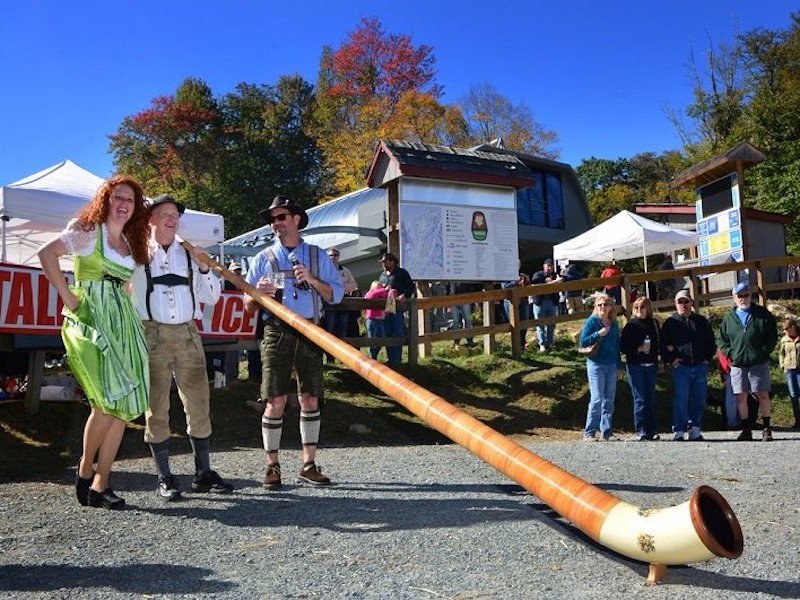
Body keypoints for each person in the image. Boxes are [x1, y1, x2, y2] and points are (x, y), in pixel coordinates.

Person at [37, 175, 151, 510]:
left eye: (130, 200)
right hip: (89, 321)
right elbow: (47, 254)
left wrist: (131, 321)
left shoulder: (131, 244)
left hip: (121, 324)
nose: (123, 204)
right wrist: (69, 297)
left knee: (121, 408)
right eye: (118, 197)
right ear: (106, 199)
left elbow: (127, 287)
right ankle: (85, 469)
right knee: (103, 402)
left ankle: (102, 484)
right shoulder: (87, 231)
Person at [130, 194, 233, 502]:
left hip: (188, 335)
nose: (171, 218)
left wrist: (204, 269)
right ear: (150, 219)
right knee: (156, 407)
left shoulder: (190, 254)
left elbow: (212, 297)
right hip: (152, 336)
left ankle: (203, 473)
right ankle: (165, 476)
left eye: (174, 213)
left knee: (199, 403)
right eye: (164, 213)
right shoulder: (135, 253)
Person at [244, 195, 344, 488]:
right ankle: (272, 467)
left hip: (311, 330)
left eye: (281, 217)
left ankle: (309, 464)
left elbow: (336, 294)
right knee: (274, 400)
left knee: (310, 397)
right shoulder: (263, 258)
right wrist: (257, 295)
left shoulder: (317, 255)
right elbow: (247, 305)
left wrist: (312, 279)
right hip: (277, 330)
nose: (276, 223)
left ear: (296, 219)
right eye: (272, 219)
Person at [718, 282, 778, 441]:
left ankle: (767, 428)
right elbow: (722, 341)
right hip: (738, 364)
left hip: (758, 362)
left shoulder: (762, 314)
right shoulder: (729, 319)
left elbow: (772, 336)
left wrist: (763, 352)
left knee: (763, 394)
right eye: (740, 295)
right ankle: (746, 430)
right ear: (734, 298)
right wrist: (731, 354)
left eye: (746, 294)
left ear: (750, 296)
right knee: (740, 397)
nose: (743, 298)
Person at [660, 289, 716, 441]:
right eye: (680, 302)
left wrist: (707, 358)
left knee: (699, 398)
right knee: (681, 399)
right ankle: (679, 429)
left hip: (699, 365)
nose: (683, 304)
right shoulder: (671, 322)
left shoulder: (701, 321)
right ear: (675, 304)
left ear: (692, 303)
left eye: (686, 301)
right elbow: (663, 344)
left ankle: (695, 428)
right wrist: (671, 359)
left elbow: (711, 342)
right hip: (681, 367)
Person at [579, 293, 621, 441]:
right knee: (596, 398)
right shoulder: (592, 321)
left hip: (611, 364)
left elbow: (617, 346)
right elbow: (583, 341)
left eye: (605, 304)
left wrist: (618, 366)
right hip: (596, 364)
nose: (603, 307)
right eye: (600, 305)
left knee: (609, 399)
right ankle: (589, 432)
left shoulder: (614, 323)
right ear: (596, 307)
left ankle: (607, 431)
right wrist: (598, 334)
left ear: (611, 306)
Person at [620, 296, 661, 441]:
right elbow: (624, 347)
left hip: (651, 364)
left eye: (642, 307)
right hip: (635, 365)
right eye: (636, 307)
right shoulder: (630, 325)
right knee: (640, 399)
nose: (639, 310)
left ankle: (652, 430)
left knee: (650, 398)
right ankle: (640, 429)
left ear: (648, 309)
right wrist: (638, 349)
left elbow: (658, 343)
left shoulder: (654, 323)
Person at [378, 251, 416, 365]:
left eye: (386, 261)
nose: (384, 264)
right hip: (385, 309)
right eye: (383, 262)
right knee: (387, 332)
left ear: (393, 261)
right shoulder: (382, 275)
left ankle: (397, 359)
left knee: (397, 332)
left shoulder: (401, 273)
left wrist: (404, 295)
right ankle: (391, 359)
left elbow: (410, 287)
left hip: (397, 308)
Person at [322, 247, 358, 362]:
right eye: (331, 255)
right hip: (329, 305)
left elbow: (353, 285)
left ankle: (342, 358)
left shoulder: (345, 271)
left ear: (339, 257)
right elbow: (321, 286)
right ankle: (330, 358)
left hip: (343, 305)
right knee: (330, 330)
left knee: (343, 330)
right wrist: (337, 289)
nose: (333, 257)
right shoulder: (323, 271)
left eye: (335, 255)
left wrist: (338, 289)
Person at [530, 258, 561, 352]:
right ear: (544, 266)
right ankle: (542, 344)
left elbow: (564, 278)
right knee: (540, 324)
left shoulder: (555, 275)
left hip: (551, 302)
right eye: (548, 266)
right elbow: (535, 281)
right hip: (540, 302)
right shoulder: (538, 274)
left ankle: (550, 343)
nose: (549, 268)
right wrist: (550, 282)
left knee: (551, 324)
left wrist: (556, 280)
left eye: (551, 266)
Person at [778, 317, 800, 429]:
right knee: (793, 395)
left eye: (786, 328)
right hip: (790, 370)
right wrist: (783, 365)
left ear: (793, 327)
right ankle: (797, 420)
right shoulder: (784, 339)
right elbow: (781, 354)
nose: (785, 331)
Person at [363, 280, 391, 360]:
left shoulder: (383, 295)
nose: (381, 286)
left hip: (381, 320)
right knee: (373, 340)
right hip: (372, 320)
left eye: (381, 285)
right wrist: (384, 289)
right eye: (378, 285)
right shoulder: (370, 294)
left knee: (381, 340)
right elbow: (372, 295)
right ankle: (372, 358)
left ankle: (373, 356)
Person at [450, 281, 480, 347]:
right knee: (455, 321)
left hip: (465, 298)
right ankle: (456, 341)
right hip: (453, 298)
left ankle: (469, 339)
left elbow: (471, 286)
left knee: (468, 319)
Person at [716, 349, 740, 429]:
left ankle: (733, 421)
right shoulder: (726, 344)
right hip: (731, 369)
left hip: (728, 370)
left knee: (732, 398)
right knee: (732, 398)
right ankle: (732, 422)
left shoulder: (721, 344)